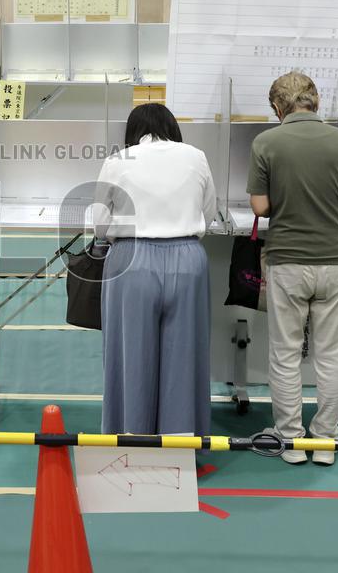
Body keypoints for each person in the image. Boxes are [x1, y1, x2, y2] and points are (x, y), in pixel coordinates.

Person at [247, 71, 338, 467]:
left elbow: (261, 208)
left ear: (277, 107)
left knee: (285, 353)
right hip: (336, 260)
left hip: (288, 261)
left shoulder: (266, 142)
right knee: (331, 355)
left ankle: (290, 439)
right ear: (316, 102)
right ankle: (325, 440)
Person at [92, 103, 217, 436]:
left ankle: (129, 443)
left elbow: (99, 224)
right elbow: (210, 211)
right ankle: (180, 449)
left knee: (130, 359)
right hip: (188, 259)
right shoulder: (196, 156)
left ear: (132, 132)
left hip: (131, 261)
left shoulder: (118, 160)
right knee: (185, 363)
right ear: (173, 128)